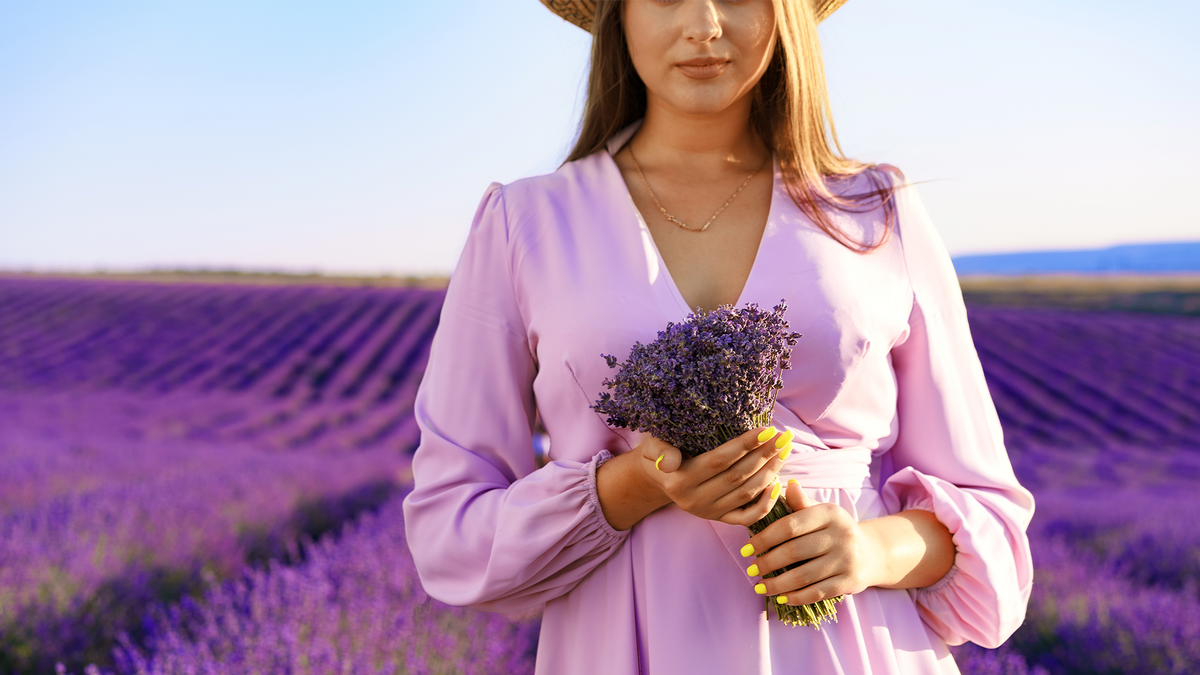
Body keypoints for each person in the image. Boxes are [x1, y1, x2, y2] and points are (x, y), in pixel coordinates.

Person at [402, 0, 1034, 673]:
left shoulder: (878, 210)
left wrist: (869, 550)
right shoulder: (524, 223)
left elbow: (988, 517)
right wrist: (637, 485)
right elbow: (451, 530)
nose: (703, 23)